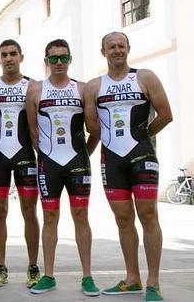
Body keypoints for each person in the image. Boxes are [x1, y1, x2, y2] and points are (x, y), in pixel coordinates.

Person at [86, 32, 172, 302]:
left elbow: (166, 114)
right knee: (123, 220)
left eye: (121, 46)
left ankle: (154, 282)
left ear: (128, 49)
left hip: (141, 155)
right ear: (103, 52)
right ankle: (132, 278)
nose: (117, 50)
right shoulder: (93, 86)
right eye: (111, 47)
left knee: (149, 217)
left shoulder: (145, 77)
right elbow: (92, 127)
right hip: (111, 160)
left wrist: (146, 133)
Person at [25, 39, 100, 296]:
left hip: (78, 162)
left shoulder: (83, 88)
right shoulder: (35, 89)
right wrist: (46, 156)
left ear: (70, 59)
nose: (59, 63)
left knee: (81, 216)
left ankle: (87, 276)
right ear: (46, 61)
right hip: (49, 163)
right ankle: (48, 275)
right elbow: (33, 131)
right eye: (53, 58)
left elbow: (94, 129)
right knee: (49, 218)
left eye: (63, 58)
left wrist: (83, 156)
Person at [0, 39, 41, 289]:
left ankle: (33, 266)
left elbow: (39, 125)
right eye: (4, 54)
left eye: (13, 54)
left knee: (29, 211)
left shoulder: (33, 86)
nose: (9, 58)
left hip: (26, 155)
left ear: (21, 57)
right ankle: (0, 266)